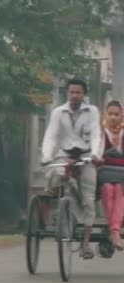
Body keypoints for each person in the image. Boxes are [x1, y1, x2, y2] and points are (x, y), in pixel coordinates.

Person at [41, 78, 102, 259]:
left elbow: (96, 135)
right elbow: (51, 136)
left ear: (84, 94)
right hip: (65, 155)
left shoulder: (92, 112)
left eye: (78, 92)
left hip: (86, 156)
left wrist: (95, 154)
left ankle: (85, 246)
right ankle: (65, 209)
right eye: (72, 92)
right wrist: (46, 156)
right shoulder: (58, 112)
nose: (75, 95)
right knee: (59, 175)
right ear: (67, 93)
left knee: (88, 199)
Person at [97, 100, 124, 250]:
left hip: (122, 173)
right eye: (110, 114)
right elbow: (97, 152)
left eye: (116, 114)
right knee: (108, 189)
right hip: (105, 171)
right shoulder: (101, 132)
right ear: (105, 115)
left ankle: (114, 231)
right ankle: (115, 231)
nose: (113, 117)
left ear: (122, 116)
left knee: (119, 190)